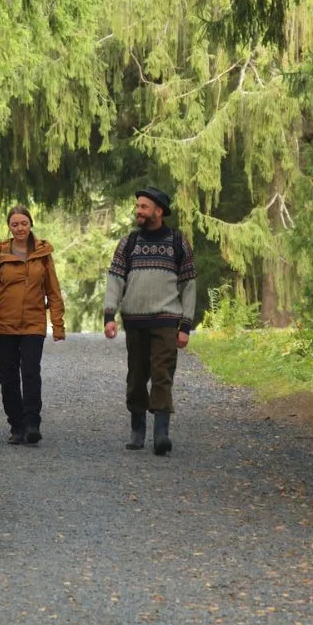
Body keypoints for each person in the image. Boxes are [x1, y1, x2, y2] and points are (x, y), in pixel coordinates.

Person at [103, 187, 196, 455]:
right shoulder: (128, 243)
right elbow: (115, 279)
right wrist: (110, 315)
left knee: (162, 374)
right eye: (138, 206)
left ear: (158, 211)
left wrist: (185, 326)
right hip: (134, 320)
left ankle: (161, 434)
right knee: (136, 376)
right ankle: (137, 429)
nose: (139, 211)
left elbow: (188, 285)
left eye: (144, 207)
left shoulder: (178, 242)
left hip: (167, 320)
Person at [0, 205, 65, 445]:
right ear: (9, 227)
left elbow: (54, 291)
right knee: (8, 377)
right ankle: (16, 425)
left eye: (24, 223)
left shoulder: (43, 253)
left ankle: (32, 423)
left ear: (31, 225)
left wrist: (57, 325)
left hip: (33, 324)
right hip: (3, 326)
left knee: (30, 373)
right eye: (15, 224)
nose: (20, 228)